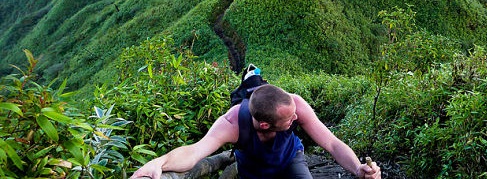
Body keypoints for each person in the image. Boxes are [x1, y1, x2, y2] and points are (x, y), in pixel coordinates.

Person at [130, 84, 381, 179]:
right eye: (290, 118)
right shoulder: (231, 124)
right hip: (252, 170)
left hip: (290, 159)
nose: (296, 118)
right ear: (264, 124)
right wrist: (160, 162)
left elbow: (333, 144)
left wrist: (358, 168)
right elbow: (195, 152)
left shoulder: (296, 105)